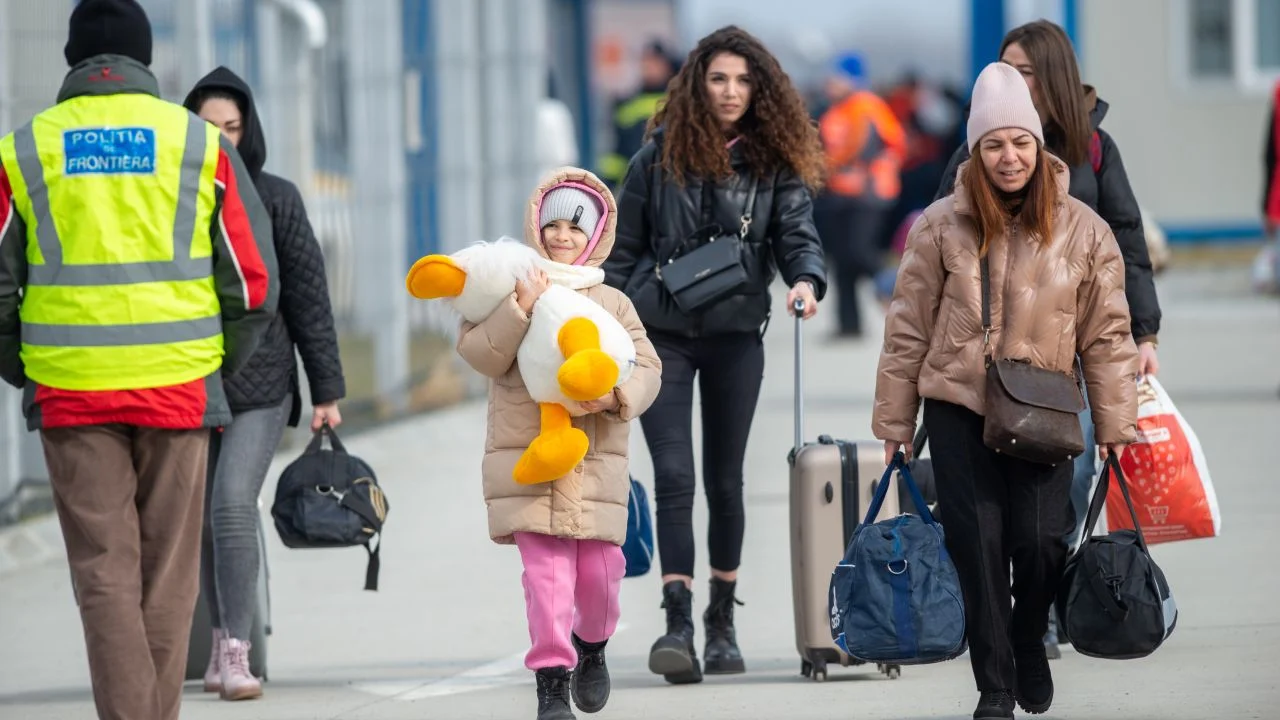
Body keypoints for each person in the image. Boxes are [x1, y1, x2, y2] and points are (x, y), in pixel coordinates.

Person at [0, 2, 278, 719]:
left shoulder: (23, 149)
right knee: (169, 576)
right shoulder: (197, 144)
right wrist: (215, 361)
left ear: (73, 61)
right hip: (179, 386)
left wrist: (22, 363)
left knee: (103, 573)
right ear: (145, 60)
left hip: (71, 391)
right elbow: (251, 282)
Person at [874, 61, 1138, 720]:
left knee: (1042, 541)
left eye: (1020, 141)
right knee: (977, 546)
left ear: (1039, 144)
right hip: (959, 405)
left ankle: (1027, 639)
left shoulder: (1084, 228)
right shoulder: (939, 225)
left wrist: (1113, 425)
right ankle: (994, 686)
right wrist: (894, 425)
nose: (1009, 156)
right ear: (976, 149)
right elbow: (906, 330)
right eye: (994, 144)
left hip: (1046, 407)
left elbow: (1107, 335)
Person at [602, 25, 828, 684]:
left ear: (760, 89)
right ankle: (678, 623)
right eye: (719, 79)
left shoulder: (773, 162)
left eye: (743, 80)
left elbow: (796, 234)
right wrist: (614, 320)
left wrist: (807, 283)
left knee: (725, 482)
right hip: (660, 339)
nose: (731, 91)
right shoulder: (656, 157)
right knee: (674, 477)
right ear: (698, 84)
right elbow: (622, 254)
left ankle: (721, 621)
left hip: (735, 338)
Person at [933, 19, 1162, 658]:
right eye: (1005, 68)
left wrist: (1144, 331)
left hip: (1071, 352)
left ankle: (1045, 608)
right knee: (993, 500)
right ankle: (1009, 614)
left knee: (1072, 472)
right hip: (992, 360)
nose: (1013, 80)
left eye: (1027, 70)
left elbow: (1127, 244)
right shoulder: (977, 150)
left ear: (1054, 76)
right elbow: (936, 246)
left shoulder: (1093, 149)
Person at [454, 167, 661, 720]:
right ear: (536, 228)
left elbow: (648, 367)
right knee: (545, 580)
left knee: (599, 578)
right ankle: (551, 682)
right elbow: (480, 355)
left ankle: (592, 647)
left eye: (576, 227)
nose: (562, 237)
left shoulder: (613, 302)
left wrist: (618, 396)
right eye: (552, 226)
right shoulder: (508, 291)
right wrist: (519, 307)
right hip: (529, 459)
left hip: (594, 465)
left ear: (594, 235)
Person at [182, 66, 346, 701]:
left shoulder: (275, 197)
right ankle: (217, 636)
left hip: (261, 385)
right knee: (197, 518)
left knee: (229, 504)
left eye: (232, 127)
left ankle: (235, 650)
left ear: (248, 130)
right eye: (207, 129)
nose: (221, 140)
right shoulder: (173, 197)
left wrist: (325, 392)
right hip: (189, 382)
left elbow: (309, 300)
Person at [815, 52, 906, 337]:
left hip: (867, 193)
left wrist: (829, 167)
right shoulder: (838, 109)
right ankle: (848, 325)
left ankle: (896, 287)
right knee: (843, 260)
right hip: (844, 194)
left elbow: (860, 148)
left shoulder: (864, 107)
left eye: (835, 78)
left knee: (860, 252)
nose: (829, 84)